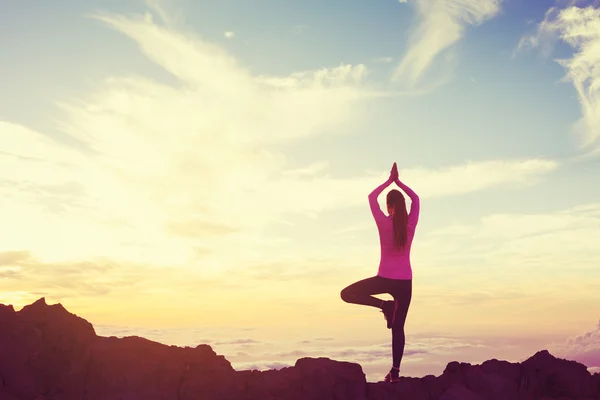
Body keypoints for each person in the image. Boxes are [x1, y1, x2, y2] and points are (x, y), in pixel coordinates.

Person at [340, 162, 420, 383]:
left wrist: (389, 181)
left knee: (346, 294)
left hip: (384, 279)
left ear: (389, 206)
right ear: (402, 205)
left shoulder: (384, 223)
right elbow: (417, 200)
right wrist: (399, 182)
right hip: (405, 282)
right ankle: (395, 372)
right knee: (399, 327)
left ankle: (384, 306)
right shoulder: (411, 223)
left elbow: (370, 197)